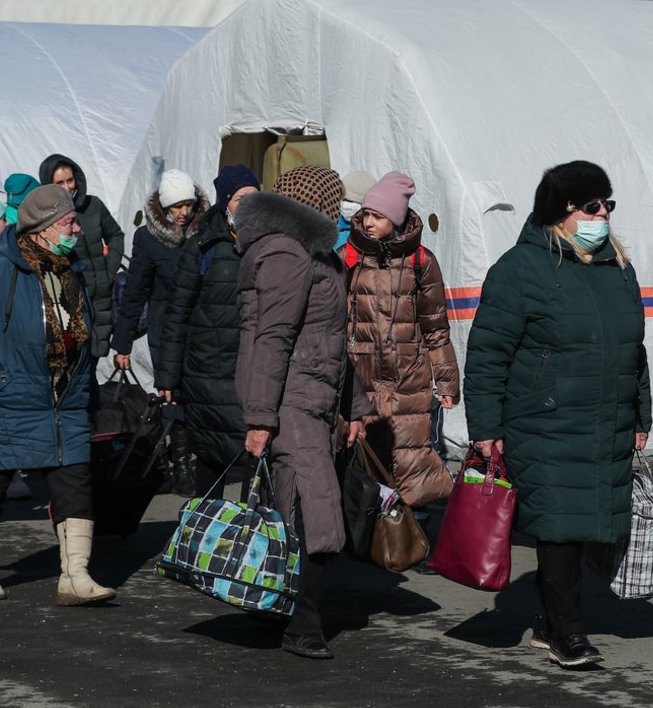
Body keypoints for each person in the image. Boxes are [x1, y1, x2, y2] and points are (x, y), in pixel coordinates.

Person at [464, 161, 652, 670]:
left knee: (585, 525)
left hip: (603, 420)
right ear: (560, 212)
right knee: (560, 527)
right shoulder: (519, 269)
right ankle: (570, 631)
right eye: (591, 206)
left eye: (607, 205)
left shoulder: (617, 267)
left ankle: (549, 623)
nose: (603, 215)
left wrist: (641, 416)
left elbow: (634, 349)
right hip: (543, 421)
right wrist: (484, 429)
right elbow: (487, 355)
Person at [0, 185, 113, 606]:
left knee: (75, 485)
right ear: (43, 228)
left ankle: (76, 575)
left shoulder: (69, 268)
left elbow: (81, 345)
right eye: (67, 221)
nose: (75, 228)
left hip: (62, 402)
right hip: (3, 398)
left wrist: (91, 400)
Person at [236, 165, 369, 659]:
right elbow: (270, 341)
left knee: (293, 509)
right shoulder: (287, 255)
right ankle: (303, 625)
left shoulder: (311, 253)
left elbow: (331, 340)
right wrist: (260, 418)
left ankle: (282, 609)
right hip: (290, 403)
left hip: (310, 400)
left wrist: (354, 404)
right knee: (316, 509)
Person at [342, 171, 459, 510]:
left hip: (409, 376)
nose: (368, 222)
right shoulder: (348, 258)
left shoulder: (421, 262)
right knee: (365, 457)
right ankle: (369, 531)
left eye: (378, 216)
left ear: (396, 218)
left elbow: (435, 326)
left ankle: (411, 530)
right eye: (366, 214)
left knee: (411, 458)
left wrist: (447, 381)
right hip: (360, 375)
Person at [157, 165, 261, 496]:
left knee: (254, 459)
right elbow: (178, 315)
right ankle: (205, 533)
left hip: (252, 371)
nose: (247, 206)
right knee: (211, 455)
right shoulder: (203, 247)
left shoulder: (271, 244)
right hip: (207, 371)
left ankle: (251, 535)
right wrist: (167, 378)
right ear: (225, 203)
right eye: (240, 198)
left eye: (254, 198)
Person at [113, 169, 208, 495]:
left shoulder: (206, 231)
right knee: (172, 394)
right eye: (176, 207)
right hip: (165, 327)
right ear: (165, 207)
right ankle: (180, 462)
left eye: (188, 205)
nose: (183, 213)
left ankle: (199, 454)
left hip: (201, 325)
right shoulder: (148, 238)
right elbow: (135, 291)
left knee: (200, 392)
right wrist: (122, 343)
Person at [39, 154, 125, 357]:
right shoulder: (47, 216)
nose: (67, 187)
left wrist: (109, 269)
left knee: (97, 353)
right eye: (59, 182)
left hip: (102, 295)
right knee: (77, 357)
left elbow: (115, 235)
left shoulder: (93, 205)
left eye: (70, 180)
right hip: (75, 298)